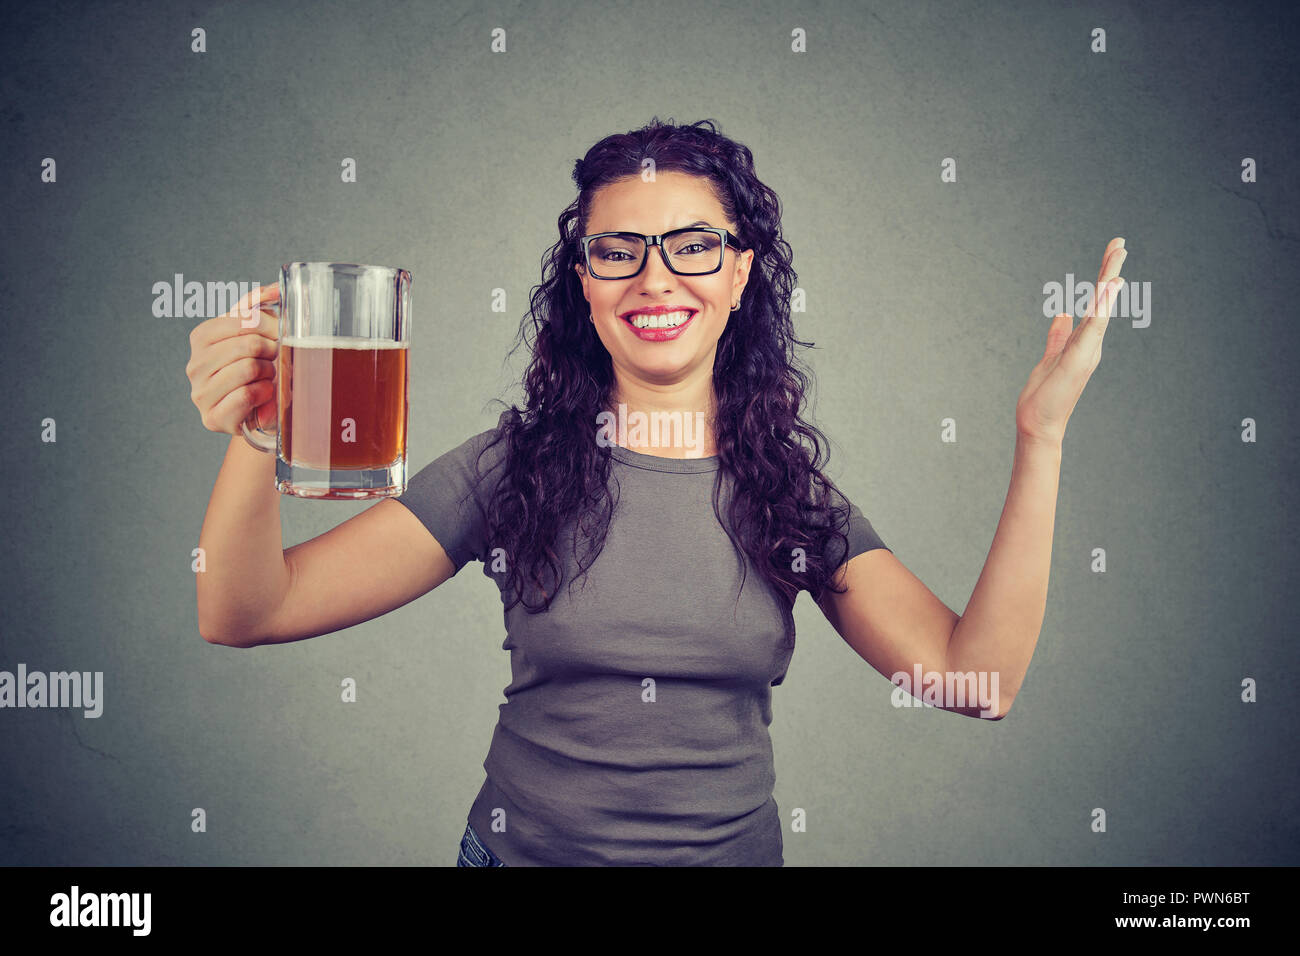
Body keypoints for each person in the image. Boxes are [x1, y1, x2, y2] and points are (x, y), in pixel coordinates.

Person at [187, 117, 1126, 866]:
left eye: (692, 247)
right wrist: (257, 434)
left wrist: (1039, 437)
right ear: (585, 286)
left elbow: (980, 681)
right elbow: (247, 610)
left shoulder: (788, 494)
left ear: (740, 272)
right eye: (618, 251)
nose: (654, 278)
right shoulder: (510, 466)